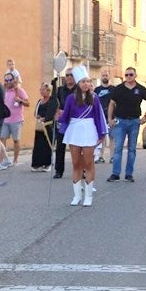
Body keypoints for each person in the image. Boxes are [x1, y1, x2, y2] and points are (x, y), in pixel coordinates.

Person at [57, 66, 108, 206]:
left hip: (89, 130)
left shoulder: (95, 98)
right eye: (83, 81)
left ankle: (88, 196)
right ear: (78, 83)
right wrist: (57, 117)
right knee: (76, 163)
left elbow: (98, 117)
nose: (86, 84)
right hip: (74, 131)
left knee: (88, 163)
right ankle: (77, 195)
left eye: (88, 81)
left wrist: (101, 133)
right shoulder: (70, 98)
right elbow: (65, 116)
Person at [107, 67, 146, 182]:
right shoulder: (119, 88)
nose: (128, 77)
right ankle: (115, 173)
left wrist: (145, 116)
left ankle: (129, 174)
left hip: (134, 122)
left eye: (131, 74)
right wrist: (110, 119)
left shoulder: (141, 89)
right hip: (120, 122)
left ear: (135, 75)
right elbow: (112, 104)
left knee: (132, 149)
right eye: (126, 75)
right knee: (118, 148)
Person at [1, 72, 28, 167]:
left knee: (16, 140)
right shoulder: (3, 91)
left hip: (16, 119)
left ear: (13, 80)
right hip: (4, 119)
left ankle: (15, 160)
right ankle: (4, 159)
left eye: (9, 79)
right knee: (2, 139)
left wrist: (20, 100)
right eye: (6, 80)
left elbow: (28, 103)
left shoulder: (19, 90)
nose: (8, 81)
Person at [53, 71, 75, 178]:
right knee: (60, 147)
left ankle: (81, 170)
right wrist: (57, 112)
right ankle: (58, 170)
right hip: (63, 121)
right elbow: (55, 103)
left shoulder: (79, 89)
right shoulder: (60, 90)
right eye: (67, 75)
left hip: (75, 121)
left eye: (71, 75)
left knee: (77, 147)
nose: (69, 77)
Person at [30, 82, 57, 172]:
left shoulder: (52, 100)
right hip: (39, 126)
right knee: (38, 145)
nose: (41, 91)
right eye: (40, 89)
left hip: (48, 126)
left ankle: (47, 164)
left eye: (43, 89)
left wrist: (44, 118)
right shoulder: (39, 101)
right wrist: (37, 116)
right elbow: (35, 112)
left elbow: (51, 112)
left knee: (46, 145)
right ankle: (37, 164)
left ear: (48, 90)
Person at [93, 71, 115, 163]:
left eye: (106, 75)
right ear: (100, 77)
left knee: (112, 137)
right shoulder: (97, 90)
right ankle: (101, 157)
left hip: (112, 117)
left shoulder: (114, 89)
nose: (105, 77)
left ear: (109, 77)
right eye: (103, 75)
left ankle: (112, 157)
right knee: (101, 138)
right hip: (100, 117)